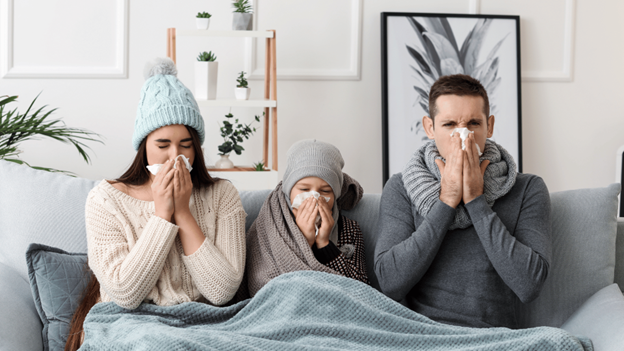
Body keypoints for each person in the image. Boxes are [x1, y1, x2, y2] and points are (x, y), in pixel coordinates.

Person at [65, 58, 246, 350]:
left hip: (203, 325)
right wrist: (162, 215)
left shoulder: (223, 195)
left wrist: (183, 212)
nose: (175, 156)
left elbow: (222, 290)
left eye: (186, 145)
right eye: (163, 145)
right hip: (129, 326)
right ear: (144, 147)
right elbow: (125, 293)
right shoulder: (106, 200)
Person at [374, 74, 551, 329]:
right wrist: (446, 201)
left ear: (489, 126)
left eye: (473, 124)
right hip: (421, 337)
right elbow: (389, 282)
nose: (463, 136)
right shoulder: (401, 187)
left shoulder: (527, 188)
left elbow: (530, 285)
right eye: (449, 125)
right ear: (429, 127)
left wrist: (477, 200)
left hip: (494, 339)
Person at [243, 139, 369, 297]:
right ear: (289, 190)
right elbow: (259, 285)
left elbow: (361, 289)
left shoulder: (349, 229)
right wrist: (304, 242)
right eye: (304, 189)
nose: (314, 197)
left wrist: (324, 244)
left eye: (325, 191)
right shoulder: (270, 223)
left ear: (336, 194)